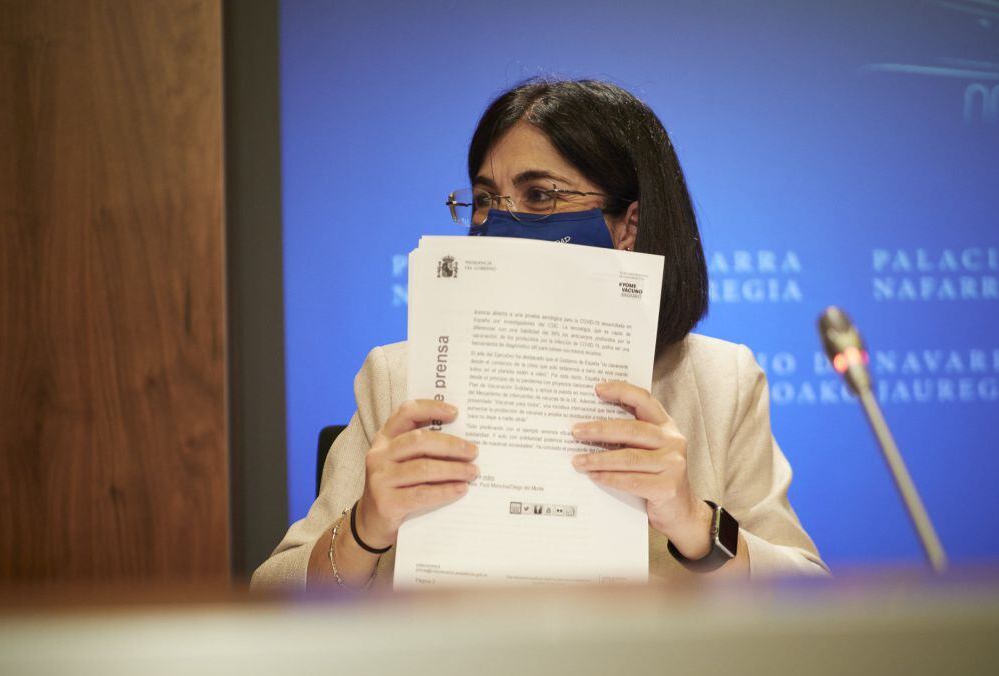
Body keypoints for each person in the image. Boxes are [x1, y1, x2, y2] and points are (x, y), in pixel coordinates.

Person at [252, 78, 827, 591]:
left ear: (629, 225)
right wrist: (365, 527)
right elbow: (272, 597)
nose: (499, 222)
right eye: (484, 200)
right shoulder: (399, 375)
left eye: (540, 195)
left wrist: (695, 524)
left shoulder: (720, 380)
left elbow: (808, 602)